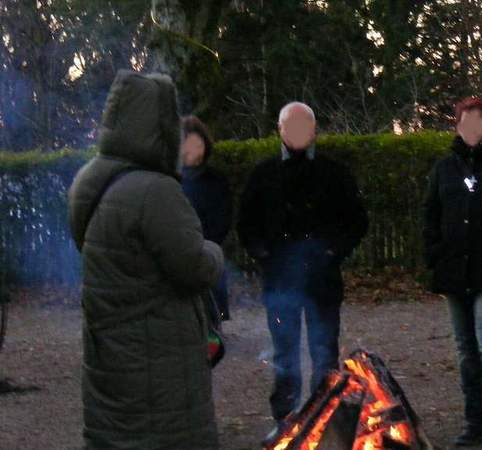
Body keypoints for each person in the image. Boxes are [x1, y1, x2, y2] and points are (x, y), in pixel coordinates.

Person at [67, 70, 224, 449]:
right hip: (158, 362)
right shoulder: (156, 191)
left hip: (109, 352)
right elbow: (195, 267)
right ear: (161, 127)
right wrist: (214, 251)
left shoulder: (87, 179)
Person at [237, 101, 368, 426]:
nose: (297, 133)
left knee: (324, 353)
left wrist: (331, 253)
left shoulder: (334, 173)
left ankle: (324, 418)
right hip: (280, 282)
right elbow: (245, 223)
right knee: (285, 354)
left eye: (304, 126)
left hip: (323, 282)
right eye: (290, 126)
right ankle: (287, 420)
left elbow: (357, 221)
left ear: (314, 130)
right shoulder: (263, 174)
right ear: (279, 130)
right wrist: (264, 254)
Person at [423, 97, 482, 450]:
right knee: (466, 351)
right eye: (465, 121)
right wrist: (434, 255)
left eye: (478, 121)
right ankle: (475, 422)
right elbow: (431, 214)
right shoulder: (446, 168)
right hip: (453, 270)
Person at [180, 115, 233, 321]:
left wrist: (208, 242)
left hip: (208, 247)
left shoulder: (216, 179)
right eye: (189, 145)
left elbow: (224, 216)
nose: (196, 151)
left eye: (199, 144)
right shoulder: (169, 179)